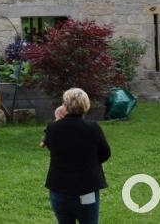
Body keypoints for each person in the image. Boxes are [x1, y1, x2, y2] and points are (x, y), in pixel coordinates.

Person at [44, 88, 111, 224]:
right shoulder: (93, 128)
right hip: (86, 188)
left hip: (59, 188)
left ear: (65, 105)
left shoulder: (52, 128)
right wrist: (91, 162)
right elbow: (105, 153)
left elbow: (52, 148)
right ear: (86, 105)